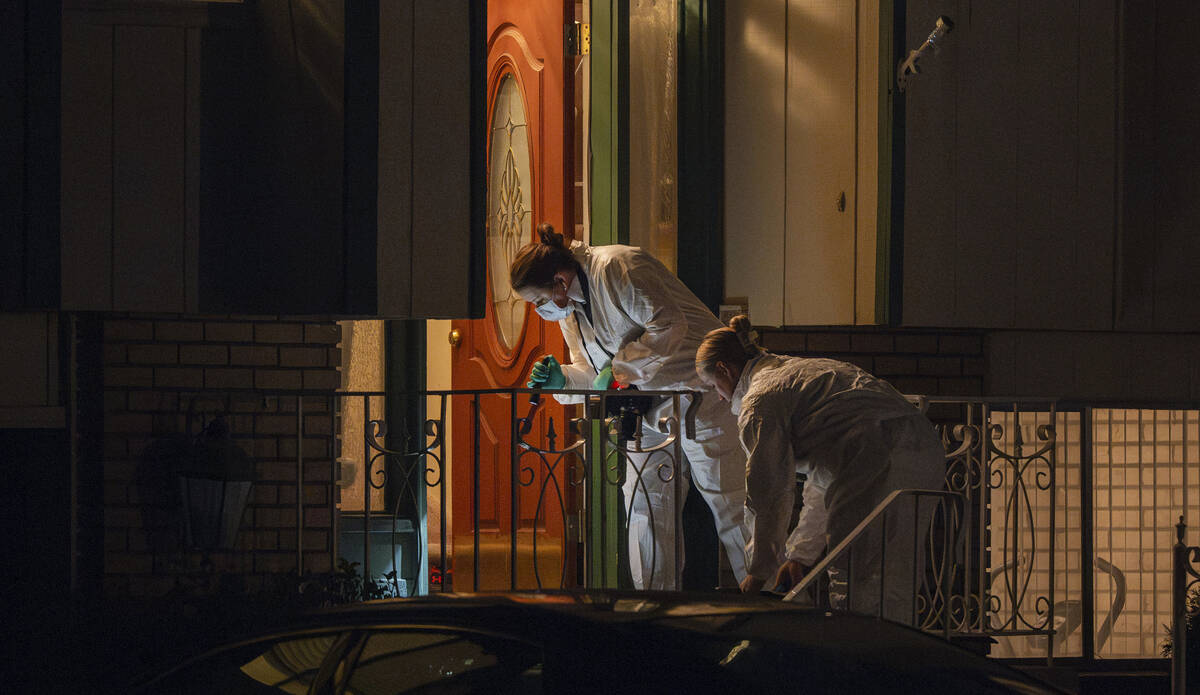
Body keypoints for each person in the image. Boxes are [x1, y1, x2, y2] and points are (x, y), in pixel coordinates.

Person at [511, 223, 750, 590]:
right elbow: (594, 374)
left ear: (559, 280)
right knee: (645, 510)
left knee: (731, 505)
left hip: (701, 395)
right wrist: (563, 381)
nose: (541, 310)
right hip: (643, 410)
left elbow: (670, 326)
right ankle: (653, 613)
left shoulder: (618, 267)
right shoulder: (571, 309)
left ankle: (774, 602)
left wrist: (617, 369)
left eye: (538, 301)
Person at [695, 315, 946, 622]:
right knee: (898, 573)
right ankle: (897, 658)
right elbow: (825, 477)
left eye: (713, 386)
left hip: (874, 456)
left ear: (725, 369)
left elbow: (768, 494)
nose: (719, 397)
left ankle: (855, 662)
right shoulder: (798, 371)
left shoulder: (760, 401)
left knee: (855, 573)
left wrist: (758, 574)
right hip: (923, 448)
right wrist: (800, 554)